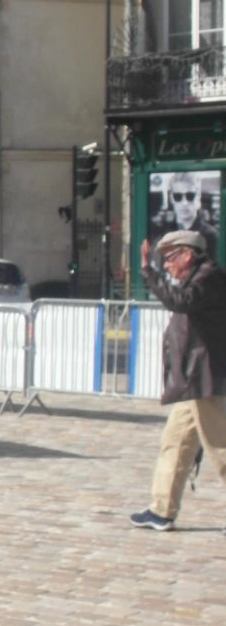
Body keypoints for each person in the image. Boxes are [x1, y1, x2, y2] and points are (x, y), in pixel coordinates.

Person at [130, 229, 226, 531]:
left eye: (170, 258)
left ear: (187, 254)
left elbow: (179, 302)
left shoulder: (208, 277)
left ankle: (162, 509)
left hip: (206, 377)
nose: (168, 266)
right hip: (193, 379)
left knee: (220, 446)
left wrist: (148, 272)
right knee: (175, 443)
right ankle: (162, 510)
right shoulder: (197, 279)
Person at [149, 175, 220, 266]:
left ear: (198, 196)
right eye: (177, 196)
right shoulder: (162, 236)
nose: (184, 203)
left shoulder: (211, 235)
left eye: (190, 196)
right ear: (171, 198)